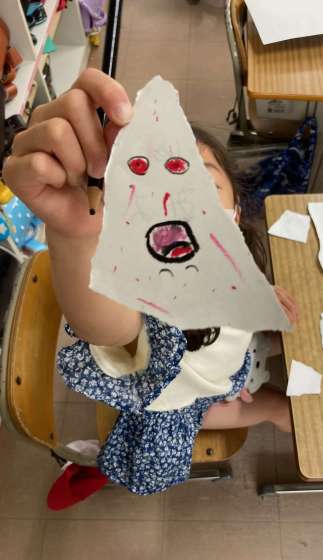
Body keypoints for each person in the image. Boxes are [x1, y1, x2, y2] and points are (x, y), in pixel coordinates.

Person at [4, 68, 298, 494]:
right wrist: (75, 236)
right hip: (180, 396)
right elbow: (106, 324)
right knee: (204, 410)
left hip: (227, 359)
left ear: (235, 212)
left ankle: (247, 381)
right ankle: (269, 408)